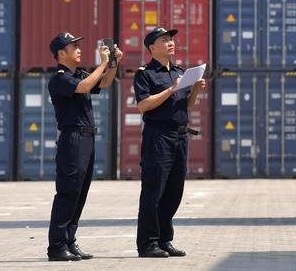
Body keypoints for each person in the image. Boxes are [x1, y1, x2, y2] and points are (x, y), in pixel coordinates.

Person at [46, 32, 122, 262]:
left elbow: (105, 83)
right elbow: (84, 86)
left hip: (86, 139)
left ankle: (70, 240)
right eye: (74, 47)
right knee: (68, 192)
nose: (79, 49)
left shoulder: (78, 74)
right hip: (73, 139)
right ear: (62, 53)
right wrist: (103, 63)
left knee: (80, 193)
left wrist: (113, 65)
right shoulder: (60, 78)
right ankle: (57, 246)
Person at [133, 27, 207, 258]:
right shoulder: (145, 74)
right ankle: (147, 243)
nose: (171, 43)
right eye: (164, 40)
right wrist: (172, 89)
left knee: (174, 190)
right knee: (154, 190)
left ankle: (165, 240)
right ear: (152, 48)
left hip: (180, 135)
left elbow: (186, 107)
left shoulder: (179, 72)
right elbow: (143, 105)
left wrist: (194, 90)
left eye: (171, 40)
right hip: (159, 136)